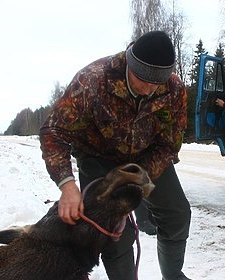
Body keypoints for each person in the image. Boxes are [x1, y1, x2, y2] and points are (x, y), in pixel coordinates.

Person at [39, 30, 192, 280]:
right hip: (98, 159)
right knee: (114, 233)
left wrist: (137, 177)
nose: (151, 90)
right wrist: (67, 185)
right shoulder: (93, 81)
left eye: (158, 83)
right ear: (130, 65)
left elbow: (168, 145)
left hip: (145, 160)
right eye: (144, 81)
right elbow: (53, 132)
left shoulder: (173, 89)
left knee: (177, 214)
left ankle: (173, 275)